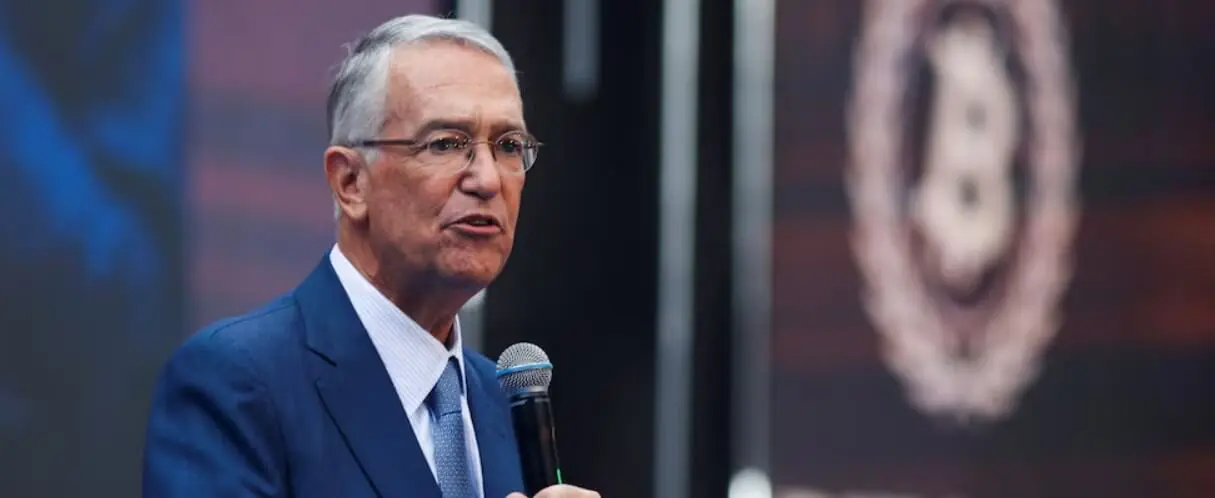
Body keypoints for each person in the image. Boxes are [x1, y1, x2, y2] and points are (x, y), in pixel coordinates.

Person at [142, 14, 599, 498]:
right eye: (446, 143)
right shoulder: (238, 383)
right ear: (350, 182)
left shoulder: (502, 398)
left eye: (508, 146)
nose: (488, 179)